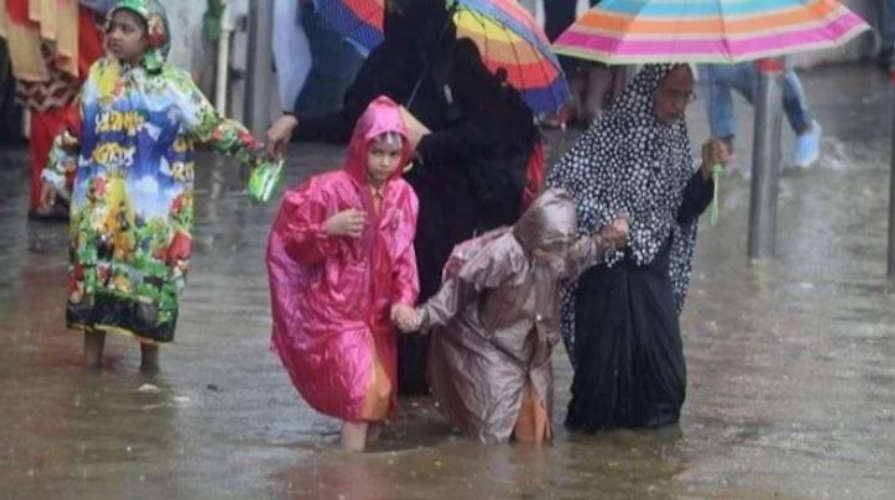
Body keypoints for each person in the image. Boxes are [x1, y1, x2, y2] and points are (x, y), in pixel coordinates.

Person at [266, 0, 541, 394]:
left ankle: (427, 391)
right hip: (388, 204)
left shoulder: (461, 58)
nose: (391, 10)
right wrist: (296, 122)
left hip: (446, 206)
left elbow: (487, 134)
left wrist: (426, 144)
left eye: (399, 3)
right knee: (381, 293)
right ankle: (385, 392)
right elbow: (353, 122)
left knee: (428, 294)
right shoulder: (385, 57)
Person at [39, 0, 277, 372]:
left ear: (152, 36)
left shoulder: (173, 86)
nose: (115, 35)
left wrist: (254, 152)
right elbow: (73, 130)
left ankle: (149, 373)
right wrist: (54, 175)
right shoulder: (98, 77)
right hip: (97, 211)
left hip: (153, 215)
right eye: (112, 27)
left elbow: (212, 127)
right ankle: (90, 370)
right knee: (91, 291)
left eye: (127, 29)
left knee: (149, 294)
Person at [547, 64, 726, 432]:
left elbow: (680, 211)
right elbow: (560, 190)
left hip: (650, 274)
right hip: (605, 276)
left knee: (666, 385)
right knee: (597, 395)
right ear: (649, 89)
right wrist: (605, 223)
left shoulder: (674, 139)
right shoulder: (610, 132)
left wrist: (706, 172)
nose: (679, 106)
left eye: (685, 96)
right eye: (672, 94)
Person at [397, 189, 628, 444]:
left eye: (559, 249)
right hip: (490, 347)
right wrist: (423, 317)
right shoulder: (504, 253)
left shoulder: (558, 255)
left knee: (536, 436)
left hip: (533, 352)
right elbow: (459, 288)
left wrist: (606, 240)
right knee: (492, 435)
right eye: (548, 248)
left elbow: (580, 255)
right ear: (533, 233)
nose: (553, 256)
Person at [266, 96, 419, 452]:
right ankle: (349, 479)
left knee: (377, 406)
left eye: (393, 154)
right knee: (359, 397)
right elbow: (291, 245)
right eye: (376, 151)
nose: (384, 162)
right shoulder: (328, 190)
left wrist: (404, 299)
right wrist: (327, 229)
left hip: (379, 318)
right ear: (360, 146)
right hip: (336, 312)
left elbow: (404, 258)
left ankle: (349, 475)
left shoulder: (404, 197)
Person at [0, 0, 109, 219]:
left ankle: (51, 194)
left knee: (50, 96)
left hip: (38, 14)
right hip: (63, 13)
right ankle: (61, 192)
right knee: (82, 90)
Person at [698, 63, 822, 170]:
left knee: (778, 74)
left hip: (763, 59)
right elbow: (715, 98)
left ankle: (805, 128)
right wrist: (722, 142)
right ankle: (725, 151)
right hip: (724, 65)